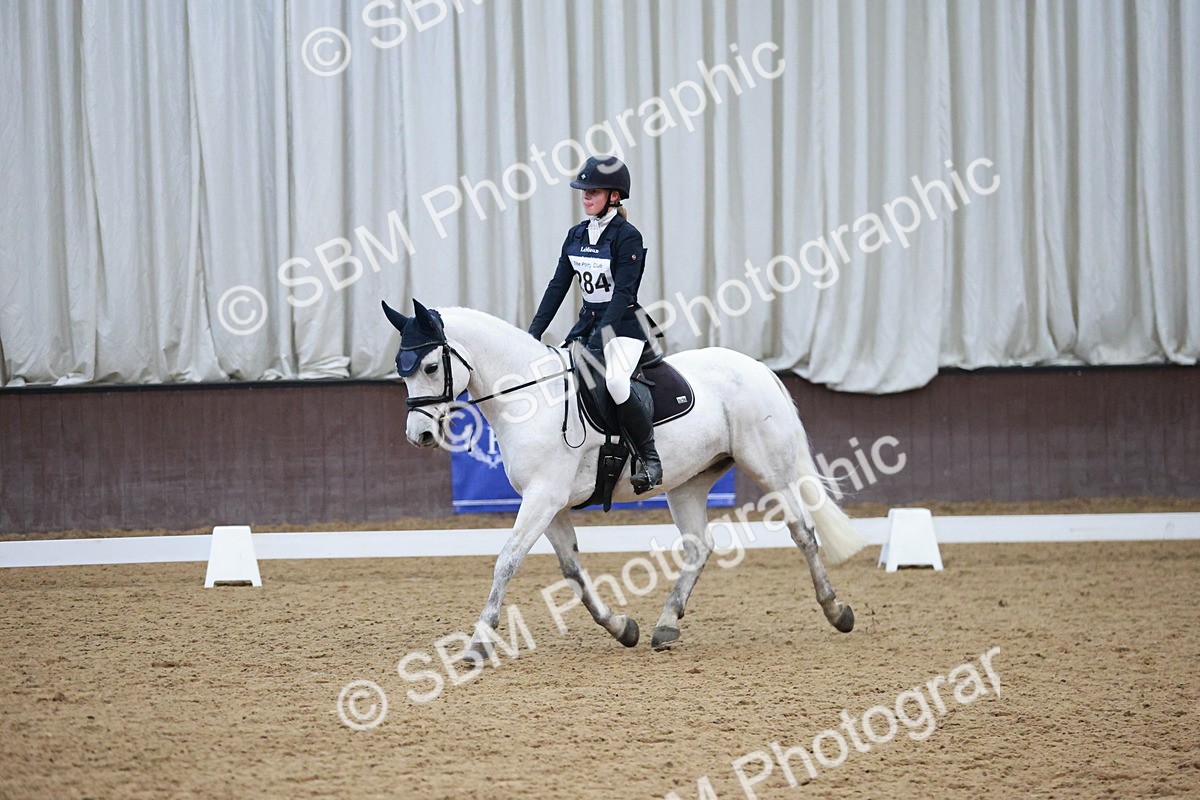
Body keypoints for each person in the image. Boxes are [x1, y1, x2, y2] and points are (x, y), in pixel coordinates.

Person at [527, 155, 662, 494]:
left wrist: (602, 338)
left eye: (593, 192)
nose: (585, 197)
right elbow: (557, 287)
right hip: (587, 323)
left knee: (615, 381)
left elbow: (624, 294)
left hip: (624, 326)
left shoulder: (627, 237)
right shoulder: (576, 235)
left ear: (614, 196)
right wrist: (533, 332)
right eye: (584, 191)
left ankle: (649, 458)